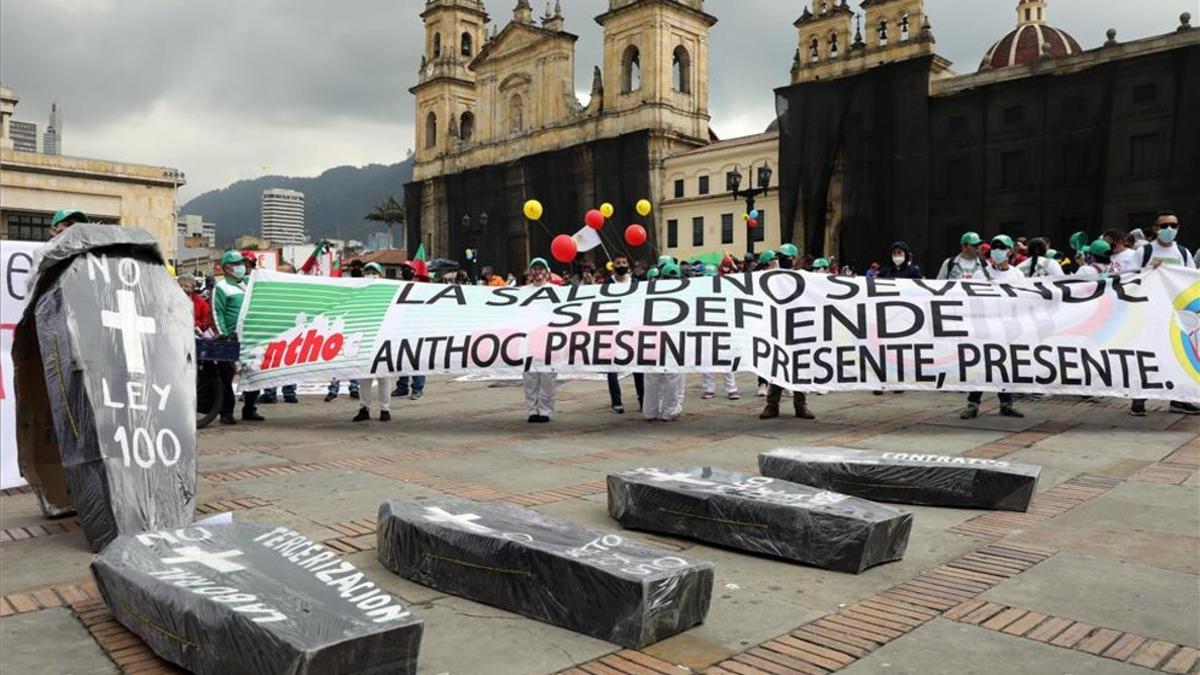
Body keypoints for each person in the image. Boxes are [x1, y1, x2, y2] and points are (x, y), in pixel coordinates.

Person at [1131, 212, 1199, 416]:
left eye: (1174, 225)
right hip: (1148, 312)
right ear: (1155, 228)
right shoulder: (1144, 251)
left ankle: (1178, 400)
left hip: (1176, 314)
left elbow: (1190, 281)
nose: (1170, 229)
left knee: (1177, 355)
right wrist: (1147, 271)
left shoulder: (1183, 252)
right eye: (1165, 225)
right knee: (1145, 356)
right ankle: (1138, 399)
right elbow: (1128, 279)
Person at [960, 235, 1024, 420]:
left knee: (1006, 366)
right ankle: (973, 404)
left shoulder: (1017, 274)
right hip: (986, 327)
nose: (998, 250)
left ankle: (1006, 403)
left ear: (1010, 251)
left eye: (1002, 247)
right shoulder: (982, 274)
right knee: (982, 365)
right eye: (995, 246)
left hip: (1008, 328)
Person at [212, 250, 263, 424]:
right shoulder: (221, 287)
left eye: (242, 263)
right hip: (231, 338)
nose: (241, 267)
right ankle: (226, 412)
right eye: (236, 264)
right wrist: (224, 335)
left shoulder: (251, 283)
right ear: (227, 268)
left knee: (255, 372)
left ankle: (250, 408)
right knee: (227, 376)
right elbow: (216, 312)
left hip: (251, 337)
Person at [643, 262, 688, 421]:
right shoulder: (682, 294)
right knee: (672, 376)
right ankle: (668, 411)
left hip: (651, 338)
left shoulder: (649, 292)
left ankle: (650, 411)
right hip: (673, 338)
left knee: (651, 376)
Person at [352, 263, 396, 422]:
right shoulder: (360, 294)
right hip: (365, 341)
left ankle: (385, 409)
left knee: (384, 377)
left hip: (383, 340)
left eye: (374, 272)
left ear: (380, 275)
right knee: (364, 378)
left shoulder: (388, 292)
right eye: (368, 272)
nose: (371, 275)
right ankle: (364, 408)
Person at [605, 255, 644, 413]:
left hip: (632, 327)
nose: (621, 265)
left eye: (624, 262)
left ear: (628, 264)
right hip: (613, 327)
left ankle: (643, 399)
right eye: (618, 263)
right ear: (613, 266)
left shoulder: (635, 283)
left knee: (638, 365)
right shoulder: (607, 284)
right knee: (612, 366)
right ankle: (616, 401)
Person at [699, 264, 740, 400]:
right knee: (706, 360)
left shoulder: (724, 291)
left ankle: (731, 389)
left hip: (722, 329)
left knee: (726, 359)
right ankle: (708, 388)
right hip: (705, 329)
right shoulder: (698, 292)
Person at [524, 258, 557, 423]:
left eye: (541, 269)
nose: (538, 272)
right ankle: (532, 410)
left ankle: (545, 410)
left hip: (549, 339)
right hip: (529, 340)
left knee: (547, 377)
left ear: (547, 272)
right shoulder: (523, 292)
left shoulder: (556, 291)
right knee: (530, 377)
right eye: (535, 269)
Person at [393, 260, 428, 400]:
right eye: (403, 269)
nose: (404, 272)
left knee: (416, 360)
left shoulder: (420, 287)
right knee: (401, 358)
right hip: (401, 327)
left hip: (417, 328)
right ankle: (402, 387)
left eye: (407, 269)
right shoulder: (399, 286)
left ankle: (417, 389)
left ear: (414, 271)